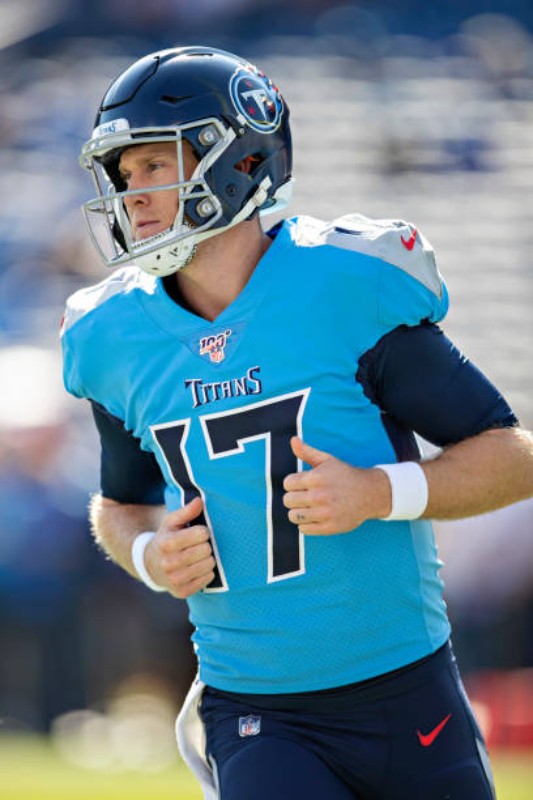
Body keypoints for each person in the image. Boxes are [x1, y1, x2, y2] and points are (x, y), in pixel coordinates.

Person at [61, 46, 533, 799]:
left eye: (153, 164)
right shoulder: (111, 335)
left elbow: (511, 455)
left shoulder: (341, 285)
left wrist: (380, 493)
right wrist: (150, 554)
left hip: (406, 685)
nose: (132, 193)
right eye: (123, 173)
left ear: (240, 160)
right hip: (256, 710)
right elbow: (119, 506)